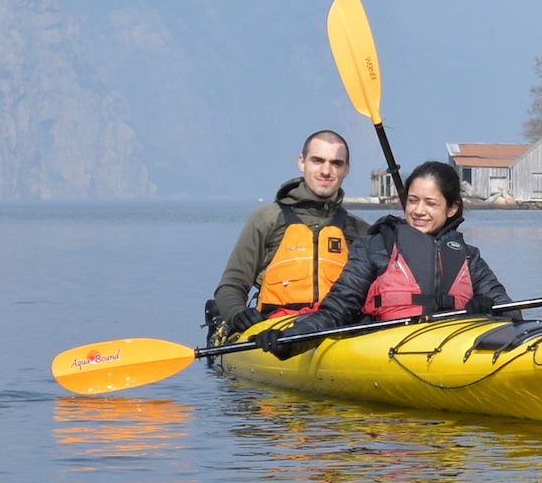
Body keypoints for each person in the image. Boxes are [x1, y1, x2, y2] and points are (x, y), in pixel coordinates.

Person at [254, 160, 513, 358]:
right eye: (412, 201)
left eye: (430, 204)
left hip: (453, 348)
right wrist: (289, 340)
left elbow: (511, 312)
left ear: (452, 208)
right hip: (386, 349)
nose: (418, 211)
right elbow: (337, 310)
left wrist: (489, 313)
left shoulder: (468, 257)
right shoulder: (376, 246)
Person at [208, 130, 370, 344]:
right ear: (302, 162)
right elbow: (231, 284)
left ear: (346, 170)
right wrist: (238, 313)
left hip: (334, 328)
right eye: (317, 160)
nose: (326, 170)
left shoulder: (360, 230)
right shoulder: (267, 219)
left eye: (336, 163)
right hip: (274, 330)